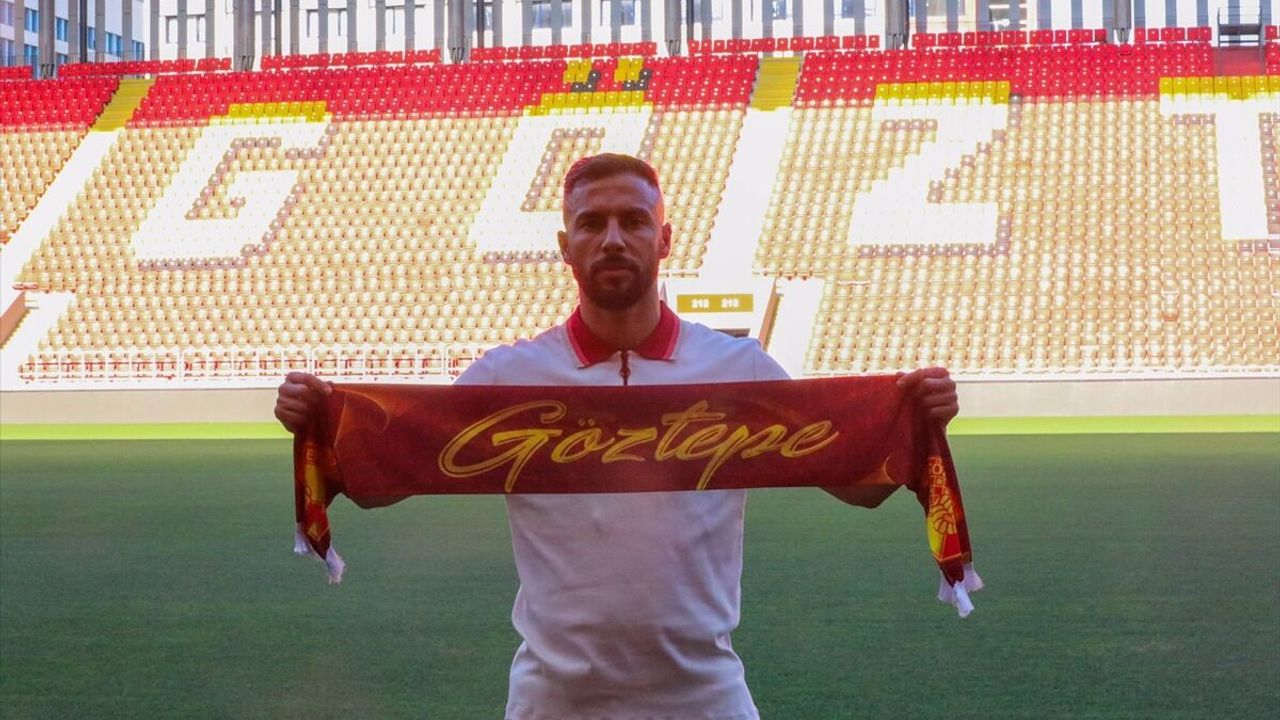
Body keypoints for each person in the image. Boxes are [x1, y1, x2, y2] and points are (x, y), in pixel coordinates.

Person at [275, 153, 960, 719]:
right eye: (591, 223)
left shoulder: (739, 370)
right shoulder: (507, 380)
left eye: (633, 221)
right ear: (564, 246)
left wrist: (912, 414)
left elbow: (856, 484)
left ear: (665, 239)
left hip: (705, 697)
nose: (612, 239)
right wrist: (320, 421)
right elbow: (384, 483)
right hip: (552, 702)